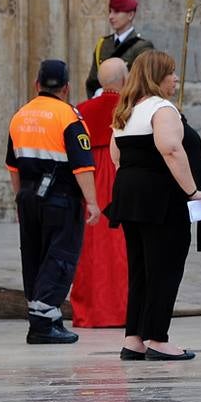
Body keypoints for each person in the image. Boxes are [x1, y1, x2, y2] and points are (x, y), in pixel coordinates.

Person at [107, 51, 201, 361]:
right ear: (156, 77)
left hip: (130, 198)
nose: (176, 79)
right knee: (164, 269)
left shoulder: (127, 110)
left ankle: (134, 337)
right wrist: (193, 191)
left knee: (140, 269)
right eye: (171, 73)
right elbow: (171, 149)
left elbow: (116, 157)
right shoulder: (162, 109)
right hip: (162, 201)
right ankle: (158, 339)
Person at [6, 60, 98, 345]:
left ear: (37, 85)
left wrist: (20, 199)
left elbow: (13, 167)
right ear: (67, 88)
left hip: (28, 196)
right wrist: (92, 202)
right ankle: (43, 322)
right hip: (60, 198)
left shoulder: (19, 116)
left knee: (34, 256)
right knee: (61, 256)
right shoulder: (69, 117)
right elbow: (82, 167)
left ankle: (48, 315)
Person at [71, 58, 130, 328]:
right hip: (121, 179)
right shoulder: (130, 110)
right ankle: (122, 310)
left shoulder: (81, 110)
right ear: (125, 80)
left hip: (88, 180)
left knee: (89, 248)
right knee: (121, 247)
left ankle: (90, 311)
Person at [86, 0, 153, 97]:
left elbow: (143, 83)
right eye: (110, 11)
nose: (111, 17)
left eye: (116, 12)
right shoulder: (103, 44)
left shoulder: (142, 47)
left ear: (130, 15)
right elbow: (92, 81)